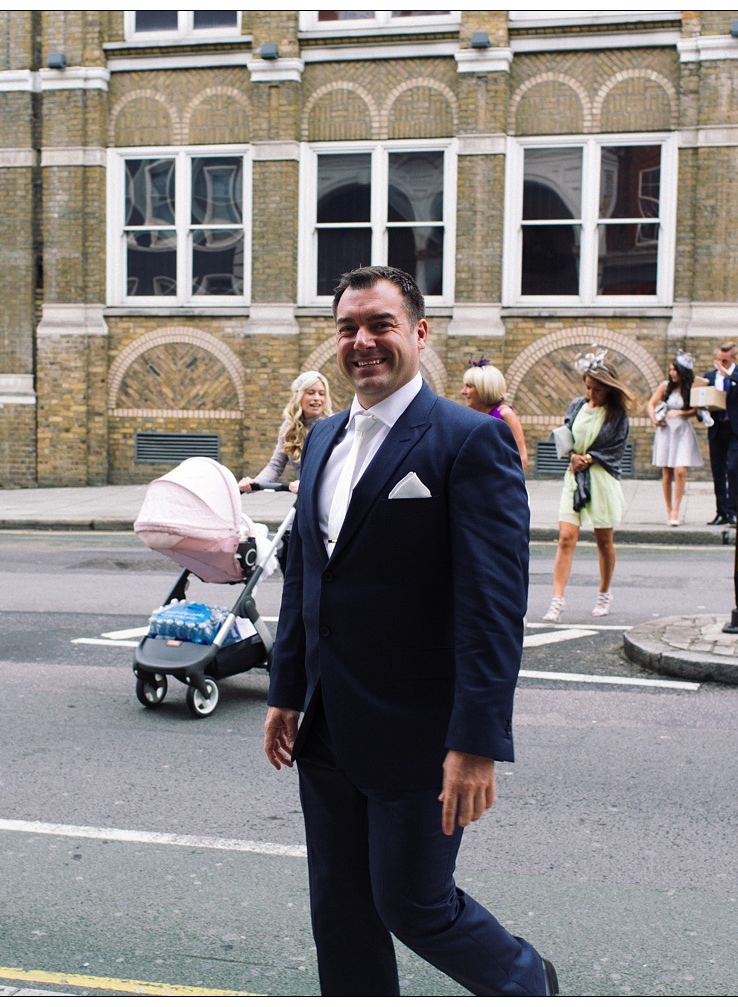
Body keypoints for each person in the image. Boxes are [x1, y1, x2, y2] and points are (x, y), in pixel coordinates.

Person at [263, 265, 556, 997]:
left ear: (420, 334)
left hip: (421, 734)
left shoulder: (467, 443)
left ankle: (528, 985)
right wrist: (287, 688)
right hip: (328, 725)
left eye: (380, 325)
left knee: (414, 903)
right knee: (340, 909)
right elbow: (308, 573)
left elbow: (492, 607)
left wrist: (478, 741)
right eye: (348, 328)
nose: (362, 342)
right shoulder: (324, 436)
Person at [541, 357, 635, 622]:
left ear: (609, 389)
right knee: (566, 538)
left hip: (601, 481)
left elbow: (616, 448)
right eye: (589, 387)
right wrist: (572, 455)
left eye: (597, 388)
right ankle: (557, 601)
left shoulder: (617, 415)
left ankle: (604, 594)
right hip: (574, 477)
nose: (591, 393)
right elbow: (567, 436)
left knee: (603, 541)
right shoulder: (577, 406)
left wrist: (589, 458)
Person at [239, 370, 333, 494]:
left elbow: (336, 470)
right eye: (310, 393)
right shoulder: (289, 427)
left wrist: (308, 485)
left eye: (321, 394)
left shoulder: (332, 426)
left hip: (327, 497)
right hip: (303, 498)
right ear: (298, 396)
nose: (317, 398)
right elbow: (276, 466)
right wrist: (254, 484)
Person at [703, 341, 738, 525]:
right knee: (718, 470)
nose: (720, 363)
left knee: (733, 468)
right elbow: (699, 399)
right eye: (719, 359)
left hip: (737, 428)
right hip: (717, 427)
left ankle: (734, 510)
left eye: (725, 360)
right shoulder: (710, 377)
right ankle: (721, 512)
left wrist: (730, 374)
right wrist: (702, 413)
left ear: (734, 359)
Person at [647, 352, 704, 526]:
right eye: (671, 369)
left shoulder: (692, 388)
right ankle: (669, 509)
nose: (671, 373)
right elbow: (651, 404)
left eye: (675, 370)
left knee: (680, 470)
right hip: (666, 432)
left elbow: (697, 410)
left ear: (683, 372)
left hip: (682, 430)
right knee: (667, 472)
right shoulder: (665, 386)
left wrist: (681, 412)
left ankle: (677, 509)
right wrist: (655, 420)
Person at [461, 359, 529, 469]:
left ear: (484, 388)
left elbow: (522, 459)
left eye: (469, 386)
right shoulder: (469, 415)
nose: (463, 391)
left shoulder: (505, 414)